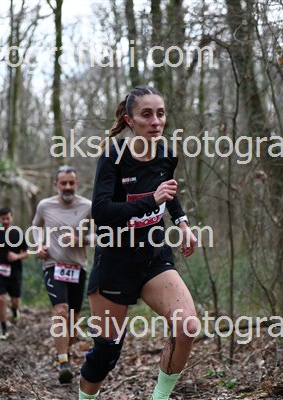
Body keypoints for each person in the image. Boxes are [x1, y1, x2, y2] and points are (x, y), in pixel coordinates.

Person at [78, 86, 198, 400]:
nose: (156, 121)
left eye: (161, 114)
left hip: (153, 258)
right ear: (130, 120)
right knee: (106, 353)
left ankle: (159, 398)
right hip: (115, 263)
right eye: (147, 115)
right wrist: (149, 201)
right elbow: (101, 212)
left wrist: (182, 223)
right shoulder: (113, 156)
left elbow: (168, 193)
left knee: (186, 327)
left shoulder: (167, 153)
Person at [32, 165, 92, 384]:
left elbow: (100, 235)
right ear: (55, 185)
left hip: (77, 267)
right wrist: (39, 245)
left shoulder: (87, 206)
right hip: (53, 265)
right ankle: (63, 363)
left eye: (71, 183)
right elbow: (35, 227)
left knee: (73, 325)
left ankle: (65, 347)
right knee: (61, 312)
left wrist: (80, 240)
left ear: (77, 184)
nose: (67, 187)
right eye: (63, 183)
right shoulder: (45, 205)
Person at [0, 207, 29, 340]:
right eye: (3, 219)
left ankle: (15, 310)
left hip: (15, 272)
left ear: (12, 218)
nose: (6, 221)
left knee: (15, 300)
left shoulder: (17, 233)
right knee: (1, 298)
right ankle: (3, 329)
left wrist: (17, 256)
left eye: (8, 218)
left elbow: (27, 252)